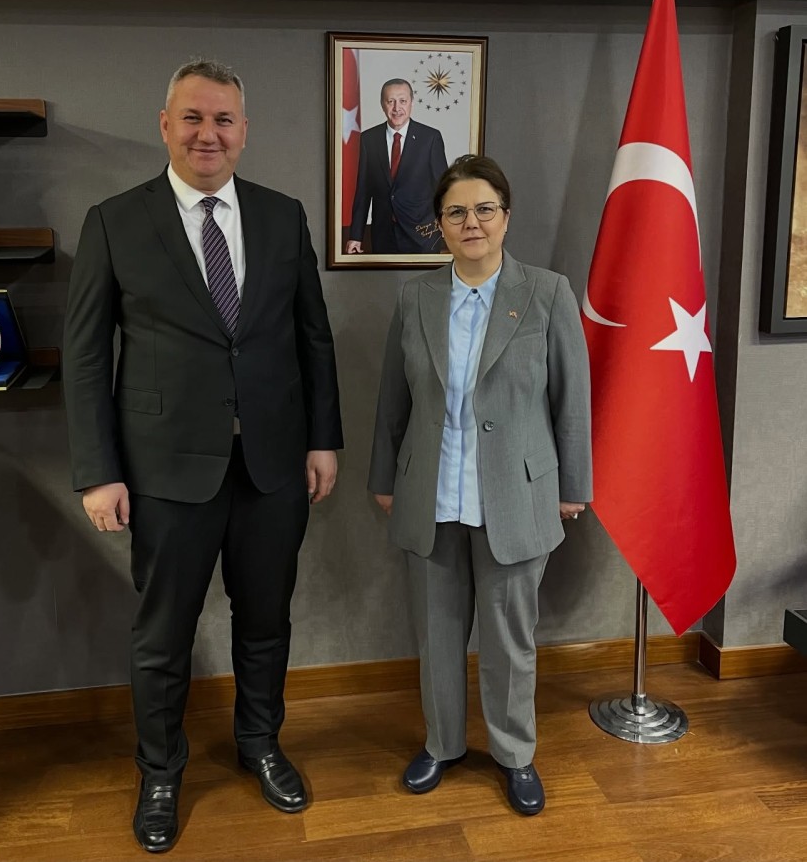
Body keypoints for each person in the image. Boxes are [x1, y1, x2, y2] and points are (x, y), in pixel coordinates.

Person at [63, 58, 343, 853]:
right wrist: (98, 470)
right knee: (163, 636)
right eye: (192, 117)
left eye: (223, 119)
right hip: (164, 472)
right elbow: (86, 357)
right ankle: (160, 771)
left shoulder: (283, 216)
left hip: (272, 466)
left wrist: (323, 438)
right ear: (165, 126)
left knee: (266, 621)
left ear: (245, 131)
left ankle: (260, 743)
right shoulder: (115, 221)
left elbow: (312, 338)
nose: (207, 134)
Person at [368, 154, 591, 816]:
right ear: (439, 225)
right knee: (436, 634)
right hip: (431, 494)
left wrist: (573, 484)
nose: (472, 222)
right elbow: (392, 401)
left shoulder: (547, 292)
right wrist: (385, 477)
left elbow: (572, 399)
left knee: (509, 639)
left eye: (484, 209)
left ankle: (515, 753)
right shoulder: (415, 297)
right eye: (456, 212)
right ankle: (441, 744)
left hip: (516, 497)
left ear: (506, 217)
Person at [346, 78, 448, 256]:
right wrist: (356, 235)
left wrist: (447, 227)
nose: (396, 108)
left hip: (423, 235)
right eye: (390, 101)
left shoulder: (430, 138)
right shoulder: (369, 139)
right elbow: (363, 191)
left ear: (411, 103)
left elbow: (444, 189)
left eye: (402, 101)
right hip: (383, 234)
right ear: (382, 104)